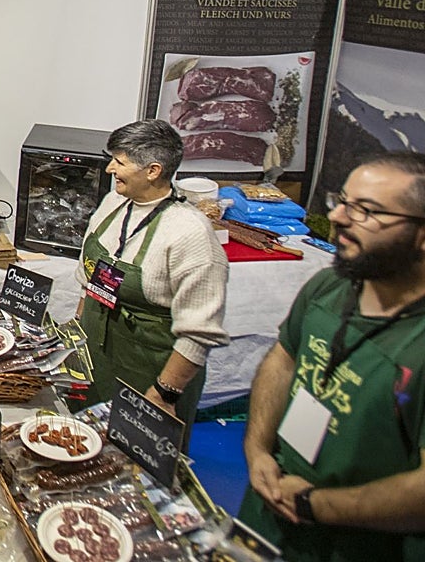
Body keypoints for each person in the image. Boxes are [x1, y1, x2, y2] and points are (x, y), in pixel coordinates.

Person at [238, 152, 425, 561]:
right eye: (341, 201)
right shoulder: (330, 284)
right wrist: (258, 452)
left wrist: (313, 504)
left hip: (361, 545)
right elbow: (283, 360)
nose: (338, 217)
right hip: (268, 512)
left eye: (366, 211)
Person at [71, 119, 228, 440]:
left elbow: (198, 334)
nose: (109, 169)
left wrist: (163, 394)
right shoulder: (113, 203)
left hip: (147, 372)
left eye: (120, 162)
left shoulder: (190, 233)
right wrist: (77, 327)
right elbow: (91, 278)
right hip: (95, 359)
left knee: (137, 470)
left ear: (153, 170)